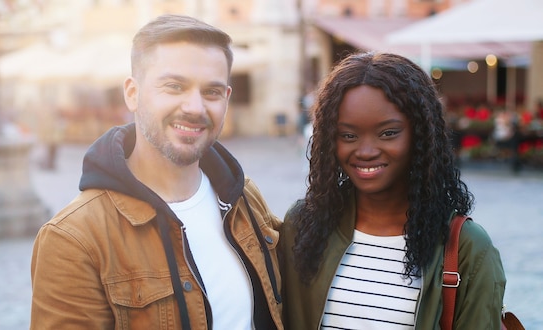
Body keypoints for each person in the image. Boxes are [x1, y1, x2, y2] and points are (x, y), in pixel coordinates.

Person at [30, 14, 282, 329]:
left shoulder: (244, 197)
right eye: (174, 86)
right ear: (132, 93)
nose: (195, 107)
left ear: (226, 99)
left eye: (212, 92)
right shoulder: (75, 238)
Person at [279, 52, 506, 329]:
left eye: (388, 133)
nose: (366, 151)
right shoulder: (303, 225)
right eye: (348, 135)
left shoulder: (468, 248)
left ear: (420, 135)